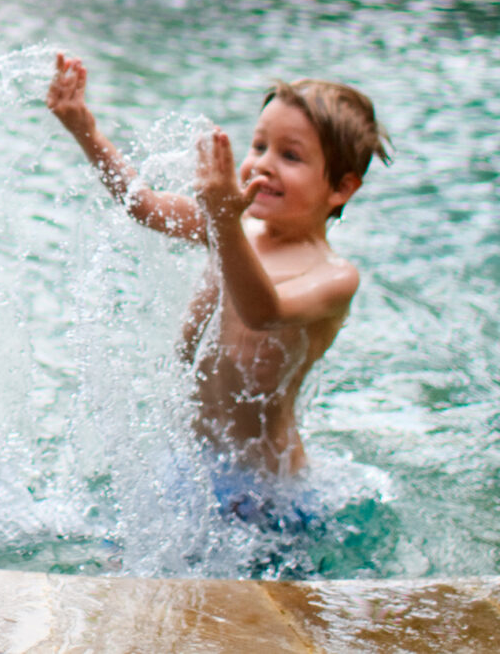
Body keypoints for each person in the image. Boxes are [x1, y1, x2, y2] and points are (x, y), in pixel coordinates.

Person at [44, 53, 388, 519]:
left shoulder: (333, 275)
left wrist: (224, 220)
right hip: (193, 466)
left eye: (290, 156)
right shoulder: (233, 225)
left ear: (342, 188)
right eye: (259, 146)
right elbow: (142, 205)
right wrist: (85, 130)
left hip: (267, 490)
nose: (263, 165)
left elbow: (263, 311)